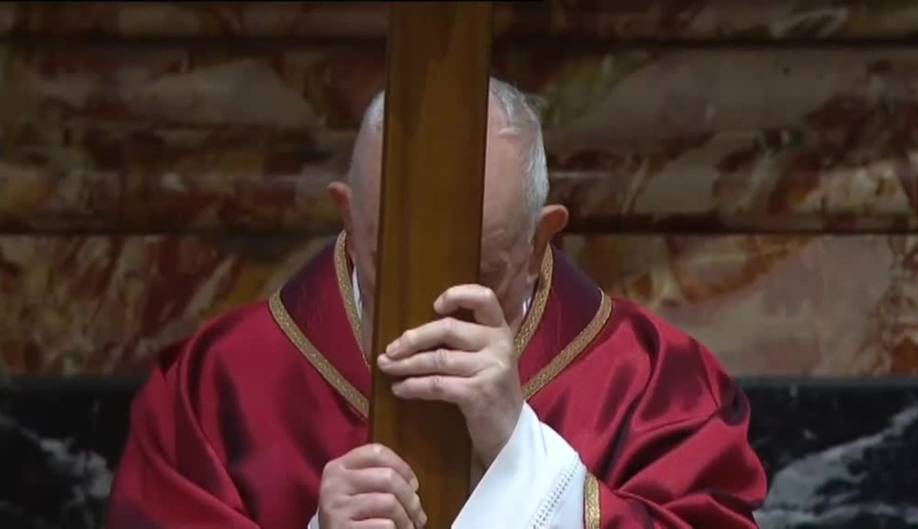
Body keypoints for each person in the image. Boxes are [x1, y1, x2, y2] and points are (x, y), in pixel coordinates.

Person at [106, 79, 767, 529]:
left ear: (543, 238)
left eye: (481, 272)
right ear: (346, 210)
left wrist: (520, 451)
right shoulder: (214, 385)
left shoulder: (654, 382)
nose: (433, 305)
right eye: (387, 255)